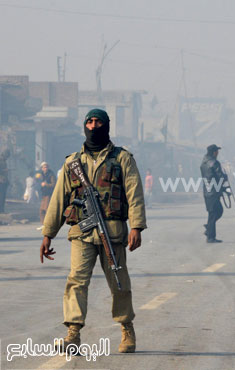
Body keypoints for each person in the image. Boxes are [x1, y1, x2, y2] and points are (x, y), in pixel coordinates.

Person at [39, 109, 147, 353]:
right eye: (89, 121)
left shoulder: (122, 158)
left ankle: (126, 329)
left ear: (107, 125)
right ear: (84, 125)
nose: (94, 125)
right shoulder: (73, 163)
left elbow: (134, 193)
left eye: (98, 122)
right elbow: (58, 200)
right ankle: (73, 333)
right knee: (76, 281)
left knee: (119, 283)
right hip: (82, 233)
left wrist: (137, 226)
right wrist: (48, 234)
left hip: (113, 232)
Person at [200, 144, 227, 243]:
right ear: (214, 152)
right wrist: (225, 177)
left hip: (207, 191)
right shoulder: (214, 163)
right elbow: (221, 177)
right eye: (217, 151)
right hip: (214, 192)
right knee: (215, 213)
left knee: (216, 212)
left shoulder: (203, 163)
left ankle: (209, 228)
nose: (218, 153)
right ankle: (210, 236)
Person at [35, 162, 56, 228]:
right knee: (41, 210)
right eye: (44, 167)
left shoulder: (51, 174)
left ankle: (48, 224)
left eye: (46, 167)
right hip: (43, 194)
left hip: (49, 194)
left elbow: (53, 184)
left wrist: (46, 184)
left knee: (46, 209)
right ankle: (43, 224)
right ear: (42, 168)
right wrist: (38, 179)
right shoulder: (41, 174)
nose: (45, 168)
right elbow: (37, 182)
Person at [0, 149, 9, 213]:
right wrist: (4, 170)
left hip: (3, 180)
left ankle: (2, 210)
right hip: (1, 181)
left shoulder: (3, 161)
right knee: (2, 196)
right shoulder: (1, 160)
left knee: (3, 196)